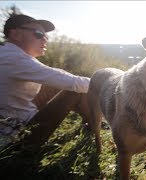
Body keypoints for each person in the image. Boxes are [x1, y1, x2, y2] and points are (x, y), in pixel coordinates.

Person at [0, 14, 91, 151]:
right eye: (38, 34)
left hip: (13, 122)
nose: (45, 39)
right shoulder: (14, 58)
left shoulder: (9, 54)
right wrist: (108, 82)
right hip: (15, 138)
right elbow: (72, 82)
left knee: (60, 85)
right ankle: (91, 126)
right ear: (15, 34)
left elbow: (54, 75)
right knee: (76, 89)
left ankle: (91, 122)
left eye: (46, 36)